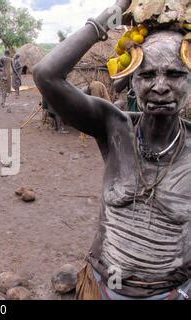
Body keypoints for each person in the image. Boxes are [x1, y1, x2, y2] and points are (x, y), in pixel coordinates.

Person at [34, 0, 190, 300]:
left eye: (174, 74)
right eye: (146, 75)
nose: (159, 86)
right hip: (102, 288)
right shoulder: (114, 127)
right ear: (131, 80)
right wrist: (116, 10)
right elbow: (46, 75)